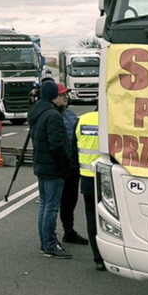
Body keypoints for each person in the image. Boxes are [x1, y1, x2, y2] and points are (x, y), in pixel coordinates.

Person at [27, 81, 72, 259]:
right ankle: (49, 244)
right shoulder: (53, 115)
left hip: (41, 164)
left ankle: (45, 242)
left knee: (45, 205)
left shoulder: (36, 112)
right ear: (54, 95)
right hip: (53, 167)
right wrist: (65, 165)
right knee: (51, 207)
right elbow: (57, 144)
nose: (64, 97)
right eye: (60, 94)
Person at [57, 84, 88, 245]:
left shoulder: (70, 115)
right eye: (62, 95)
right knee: (55, 202)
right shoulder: (49, 115)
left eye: (66, 95)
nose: (65, 97)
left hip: (73, 166)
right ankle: (50, 236)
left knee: (71, 200)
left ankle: (68, 230)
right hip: (59, 167)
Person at [76, 109, 105, 271]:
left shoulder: (83, 119)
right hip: (107, 178)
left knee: (91, 216)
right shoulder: (112, 119)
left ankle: (98, 257)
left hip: (86, 175)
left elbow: (77, 142)